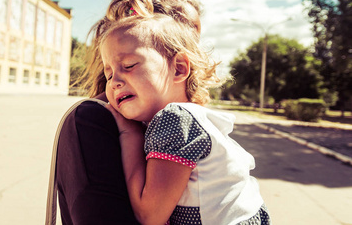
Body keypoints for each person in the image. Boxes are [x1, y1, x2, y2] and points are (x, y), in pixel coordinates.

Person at [45, 0, 203, 225]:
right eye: (110, 74)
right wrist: (129, 133)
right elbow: (148, 215)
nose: (116, 81)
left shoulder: (185, 121)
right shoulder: (93, 120)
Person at [99, 13, 271, 225]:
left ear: (179, 68)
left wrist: (129, 134)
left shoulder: (175, 120)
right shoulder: (190, 118)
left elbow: (149, 215)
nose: (114, 81)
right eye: (108, 74)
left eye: (129, 65)